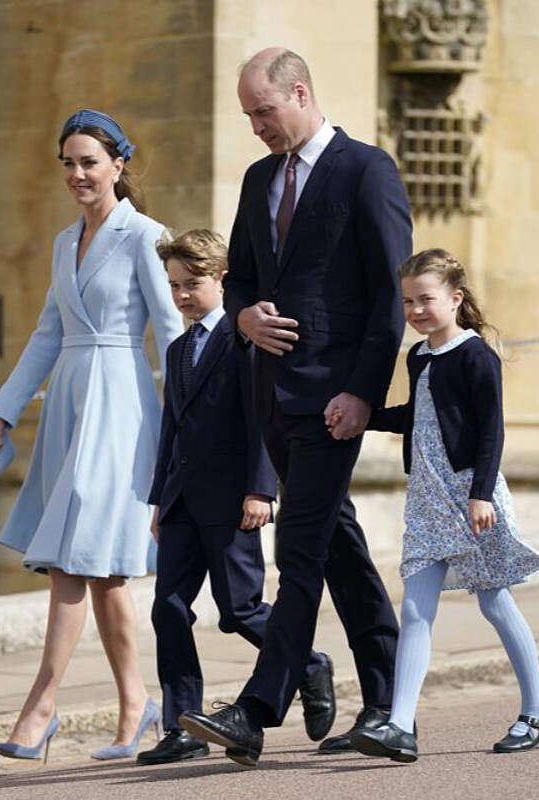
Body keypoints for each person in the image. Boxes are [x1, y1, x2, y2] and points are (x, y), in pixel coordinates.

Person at [178, 48, 408, 766]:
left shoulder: (366, 170)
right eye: (247, 114)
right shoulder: (256, 180)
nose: (254, 127)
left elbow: (389, 294)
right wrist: (241, 319)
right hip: (271, 400)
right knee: (337, 544)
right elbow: (239, 280)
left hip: (335, 401)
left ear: (300, 93)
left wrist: (363, 393)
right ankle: (388, 701)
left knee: (299, 547)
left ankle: (256, 708)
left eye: (263, 112)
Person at [0, 109, 184, 763]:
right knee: (104, 572)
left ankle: (39, 710)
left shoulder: (147, 237)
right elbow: (47, 334)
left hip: (121, 409)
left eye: (89, 161)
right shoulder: (65, 243)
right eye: (67, 162)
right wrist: (0, 414)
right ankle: (135, 705)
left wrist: (189, 422)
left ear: (119, 164)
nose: (77, 174)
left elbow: (173, 334)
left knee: (71, 559)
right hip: (69, 404)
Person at [347, 248, 539, 763]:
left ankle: (538, 710)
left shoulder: (476, 355)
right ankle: (399, 725)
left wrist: (481, 493)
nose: (416, 310)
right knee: (416, 608)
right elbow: (419, 417)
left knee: (494, 602)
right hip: (426, 496)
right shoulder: (418, 356)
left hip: (468, 495)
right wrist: (364, 415)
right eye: (408, 302)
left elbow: (491, 429)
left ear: (455, 299)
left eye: (426, 299)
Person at [139, 229, 332, 765]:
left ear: (222, 280)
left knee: (240, 610)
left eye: (192, 284)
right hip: (180, 502)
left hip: (232, 501)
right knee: (168, 609)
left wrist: (261, 489)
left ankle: (309, 665)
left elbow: (261, 421)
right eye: (174, 285)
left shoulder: (246, 343)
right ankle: (184, 728)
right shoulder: (178, 349)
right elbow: (170, 431)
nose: (180, 295)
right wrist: (159, 500)